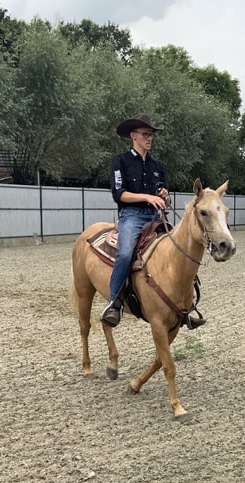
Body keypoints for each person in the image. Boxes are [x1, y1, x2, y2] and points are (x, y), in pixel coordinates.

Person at [101, 114, 171, 327]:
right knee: (124, 253)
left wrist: (165, 197)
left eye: (151, 135)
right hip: (131, 216)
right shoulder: (120, 161)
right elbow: (119, 194)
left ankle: (184, 303)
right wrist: (147, 197)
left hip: (155, 217)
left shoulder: (157, 166)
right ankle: (114, 303)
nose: (149, 139)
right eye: (145, 134)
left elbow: (164, 199)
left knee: (180, 248)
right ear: (133, 136)